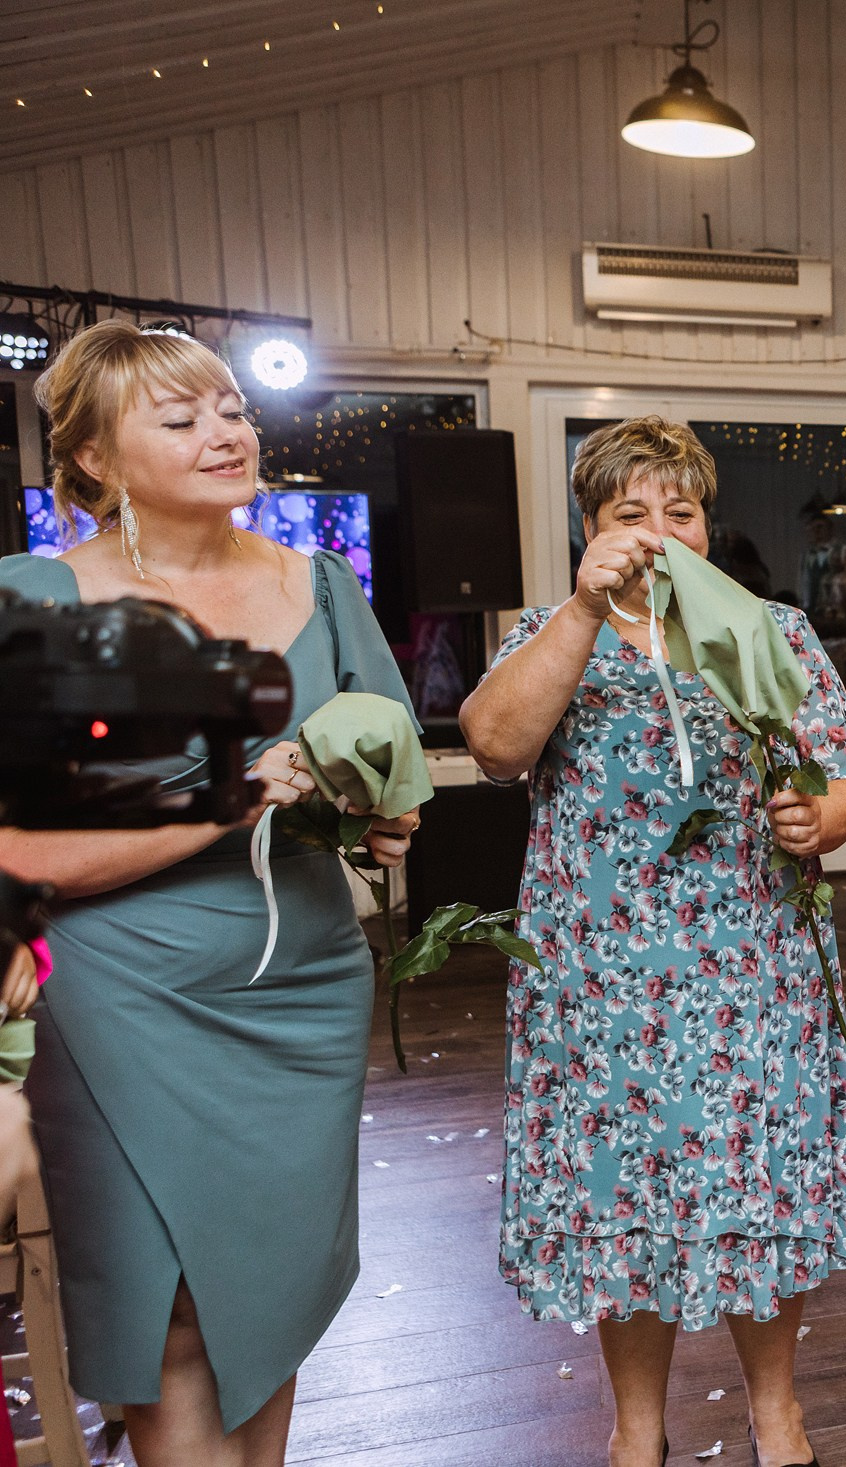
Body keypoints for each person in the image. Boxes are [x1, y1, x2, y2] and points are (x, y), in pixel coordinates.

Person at [0, 320, 420, 1466]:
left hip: (300, 986)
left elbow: (392, 783)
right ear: (90, 457)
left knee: (260, 1296)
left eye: (230, 408)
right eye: (180, 419)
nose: (225, 433)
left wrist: (377, 816)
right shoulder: (29, 600)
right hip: (118, 997)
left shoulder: (325, 587)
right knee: (171, 1307)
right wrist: (231, 803)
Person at [461, 417, 846, 1467]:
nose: (657, 531)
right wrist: (585, 606)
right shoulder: (553, 631)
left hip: (750, 966)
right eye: (628, 513)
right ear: (589, 531)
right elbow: (498, 749)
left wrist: (820, 819)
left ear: (706, 524)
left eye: (678, 512)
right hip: (600, 976)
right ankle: (633, 1432)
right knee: (622, 1196)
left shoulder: (771, 630)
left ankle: (776, 1414)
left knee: (756, 1187)